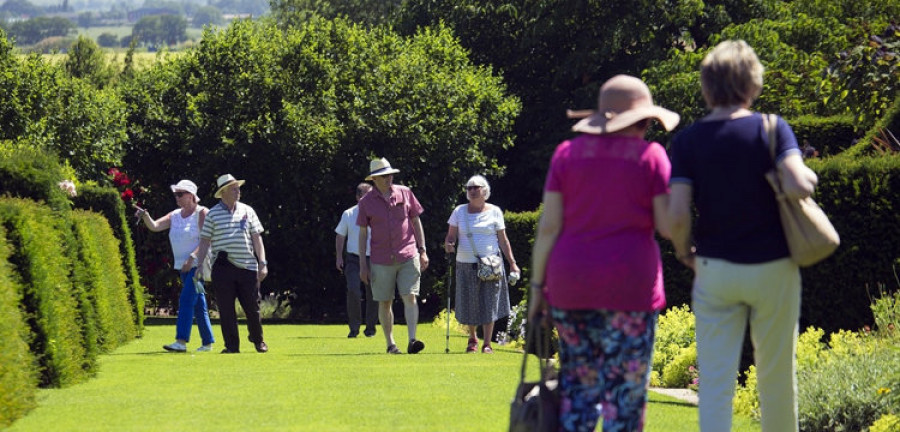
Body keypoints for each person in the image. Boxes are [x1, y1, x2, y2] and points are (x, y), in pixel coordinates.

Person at [668, 40, 816, 432]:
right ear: (754, 83)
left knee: (716, 382)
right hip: (774, 266)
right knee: (777, 377)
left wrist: (684, 251)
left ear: (706, 87)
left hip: (715, 267)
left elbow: (678, 213)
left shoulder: (687, 141)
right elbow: (800, 184)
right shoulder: (772, 129)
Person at [527, 74, 679, 431]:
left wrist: (537, 289)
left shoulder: (566, 155)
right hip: (629, 289)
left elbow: (548, 227)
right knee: (623, 401)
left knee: (578, 394)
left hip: (570, 287)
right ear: (642, 121)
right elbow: (668, 226)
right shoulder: (651, 156)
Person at [357, 158, 429, 354]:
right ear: (374, 179)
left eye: (390, 174)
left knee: (410, 296)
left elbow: (416, 220)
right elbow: (362, 234)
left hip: (408, 253)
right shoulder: (366, 202)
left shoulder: (405, 193)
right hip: (380, 259)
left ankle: (412, 340)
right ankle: (390, 344)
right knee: (385, 301)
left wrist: (422, 250)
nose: (389, 178)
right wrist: (363, 264)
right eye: (383, 176)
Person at [135, 180, 215, 353]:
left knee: (186, 300)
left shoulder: (202, 213)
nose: (177, 197)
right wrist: (145, 216)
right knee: (199, 303)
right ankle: (207, 342)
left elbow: (207, 240)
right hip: (183, 268)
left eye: (180, 194)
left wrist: (192, 257)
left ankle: (181, 341)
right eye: (176, 194)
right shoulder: (175, 214)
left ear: (191, 195)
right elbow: (155, 226)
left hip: (197, 266)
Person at [194, 174, 270, 354]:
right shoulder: (212, 214)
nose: (238, 191)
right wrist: (199, 266)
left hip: (247, 266)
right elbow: (205, 241)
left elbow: (257, 238)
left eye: (238, 188)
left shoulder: (248, 210)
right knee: (226, 310)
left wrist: (263, 263)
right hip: (222, 267)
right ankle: (231, 346)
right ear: (224, 192)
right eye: (234, 189)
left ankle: (258, 339)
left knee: (253, 308)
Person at [443, 175, 518, 354]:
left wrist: (513, 263)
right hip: (465, 264)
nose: (472, 191)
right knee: (470, 302)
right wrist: (449, 243)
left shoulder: (495, 211)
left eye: (476, 187)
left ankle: (487, 343)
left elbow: (503, 240)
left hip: (490, 264)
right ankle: (472, 339)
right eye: (469, 188)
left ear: (485, 191)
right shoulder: (459, 211)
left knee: (489, 303)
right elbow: (451, 235)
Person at [335, 182, 378, 338]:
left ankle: (371, 328)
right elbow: (340, 236)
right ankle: (354, 327)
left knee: (373, 293)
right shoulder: (348, 214)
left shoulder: (377, 213)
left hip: (373, 258)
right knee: (353, 290)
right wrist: (339, 256)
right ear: (358, 197)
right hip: (353, 259)